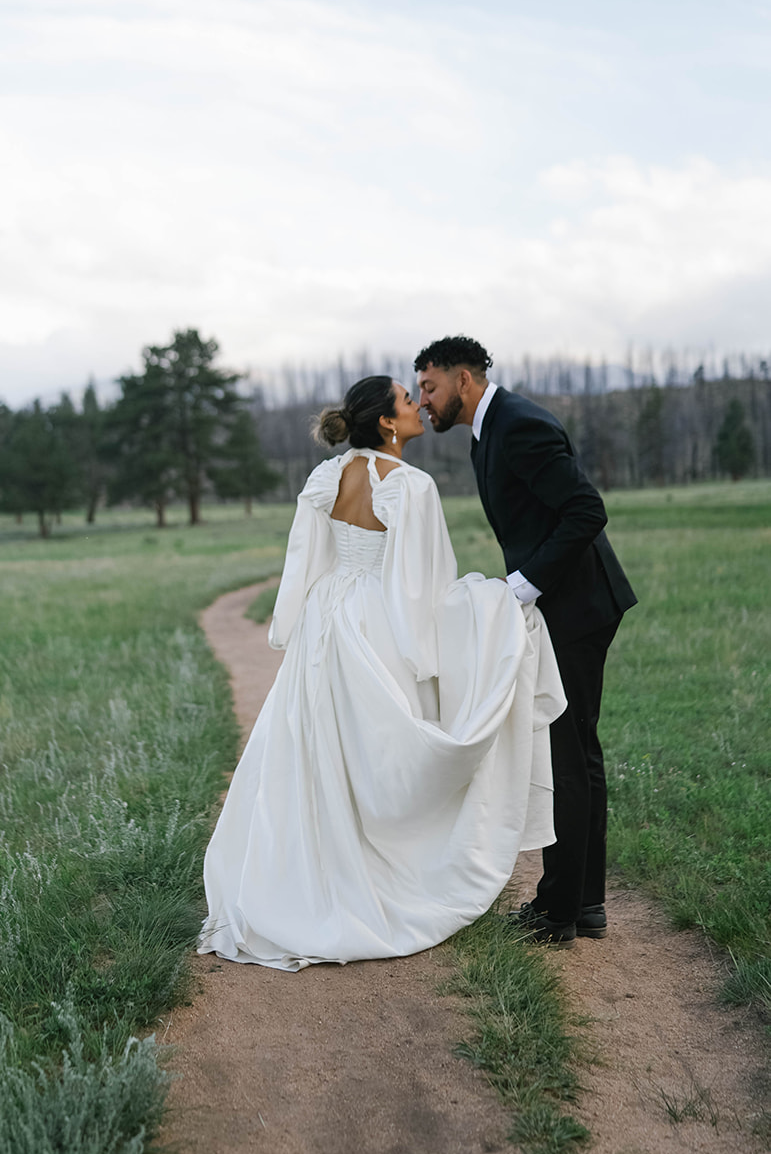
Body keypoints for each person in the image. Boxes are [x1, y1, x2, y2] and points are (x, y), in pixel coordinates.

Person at [197, 375, 566, 972]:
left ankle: (303, 872)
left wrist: (291, 623)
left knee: (319, 745)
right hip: (373, 620)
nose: (419, 404)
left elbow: (304, 557)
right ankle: (377, 868)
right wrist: (482, 614)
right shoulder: (412, 486)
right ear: (388, 423)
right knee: (379, 751)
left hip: (325, 614)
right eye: (406, 398)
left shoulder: (326, 477)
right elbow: (424, 585)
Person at [415, 336, 637, 946]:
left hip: (577, 606)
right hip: (572, 605)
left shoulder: (517, 424)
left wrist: (524, 586)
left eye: (429, 387)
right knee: (578, 754)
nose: (422, 401)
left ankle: (558, 911)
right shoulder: (491, 430)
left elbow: (586, 510)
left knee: (567, 756)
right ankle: (583, 903)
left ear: (464, 381)